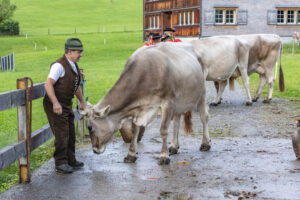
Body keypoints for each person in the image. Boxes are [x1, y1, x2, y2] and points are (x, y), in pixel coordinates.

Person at [43, 38, 86, 174]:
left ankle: (71, 160)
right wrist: (55, 103)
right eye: (78, 52)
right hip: (55, 105)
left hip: (66, 104)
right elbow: (48, 84)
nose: (81, 55)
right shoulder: (59, 66)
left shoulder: (73, 65)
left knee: (70, 133)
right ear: (69, 51)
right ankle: (61, 163)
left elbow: (76, 86)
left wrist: (82, 101)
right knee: (62, 134)